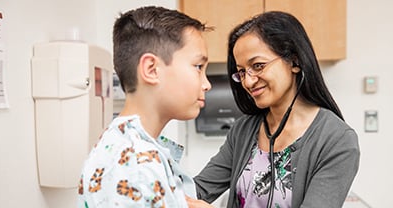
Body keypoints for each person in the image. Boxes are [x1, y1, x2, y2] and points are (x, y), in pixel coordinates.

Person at [192, 11, 360, 208]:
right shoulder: (243, 130)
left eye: (258, 65)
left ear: (295, 62)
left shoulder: (337, 140)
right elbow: (198, 190)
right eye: (242, 71)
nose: (248, 80)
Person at [77, 6, 212, 207]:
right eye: (198, 67)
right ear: (151, 69)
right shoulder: (138, 165)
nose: (206, 84)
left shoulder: (126, 146)